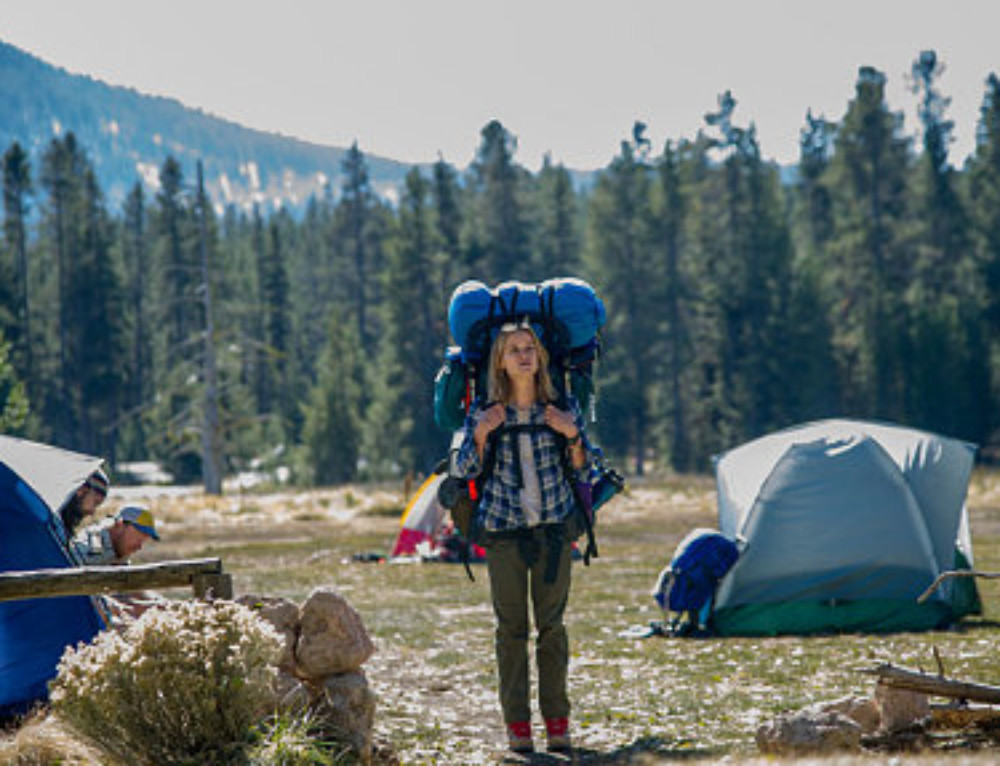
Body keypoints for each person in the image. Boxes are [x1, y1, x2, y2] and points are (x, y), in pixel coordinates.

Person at [454, 320, 594, 755]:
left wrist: (572, 434)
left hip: (554, 532)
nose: (523, 355)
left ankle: (557, 723)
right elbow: (461, 471)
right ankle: (517, 727)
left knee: (552, 629)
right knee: (510, 631)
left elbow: (587, 468)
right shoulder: (485, 414)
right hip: (504, 534)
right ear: (500, 360)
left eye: (529, 347)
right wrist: (479, 434)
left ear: (541, 357)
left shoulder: (561, 406)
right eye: (513, 349)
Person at [74, 505, 160, 565]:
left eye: (143, 541)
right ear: (120, 525)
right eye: (137, 538)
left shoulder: (119, 548)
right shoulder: (90, 547)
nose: (139, 547)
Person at [59, 468, 110, 537]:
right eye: (95, 503)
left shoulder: (61, 529)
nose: (92, 512)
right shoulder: (51, 525)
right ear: (82, 491)